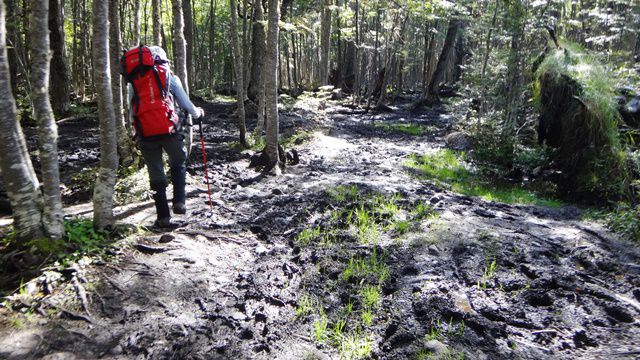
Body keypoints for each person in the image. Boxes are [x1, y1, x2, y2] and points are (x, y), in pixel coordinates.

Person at [127, 46, 204, 227]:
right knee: (178, 162)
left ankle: (163, 217)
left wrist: (135, 130)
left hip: (145, 133)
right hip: (169, 130)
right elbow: (186, 104)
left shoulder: (134, 82)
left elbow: (132, 110)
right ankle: (179, 202)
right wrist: (198, 113)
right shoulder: (169, 76)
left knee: (155, 173)